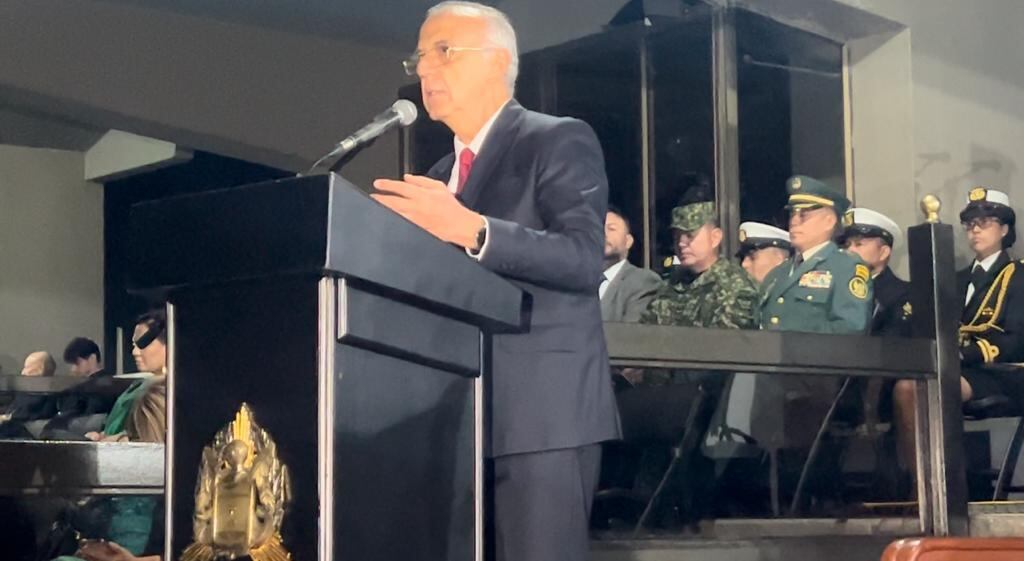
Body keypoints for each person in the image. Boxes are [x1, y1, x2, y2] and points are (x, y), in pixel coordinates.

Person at [371, 3, 619, 560]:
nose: (424, 71)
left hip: (539, 415)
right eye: (419, 57)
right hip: (452, 418)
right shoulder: (438, 178)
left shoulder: (555, 139)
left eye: (443, 51)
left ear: (499, 61)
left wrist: (474, 230)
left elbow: (583, 259)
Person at [893, 188, 1024, 470]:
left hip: (1002, 372)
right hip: (957, 368)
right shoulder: (956, 279)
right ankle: (919, 482)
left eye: (985, 223)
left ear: (1003, 229)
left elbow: (1015, 339)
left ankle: (946, 479)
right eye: (970, 225)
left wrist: (964, 355)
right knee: (907, 387)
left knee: (929, 389)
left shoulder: (1018, 276)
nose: (975, 231)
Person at [760, 176, 873, 334]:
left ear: (829, 221)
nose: (794, 221)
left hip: (817, 357)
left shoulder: (846, 268)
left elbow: (850, 329)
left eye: (804, 215)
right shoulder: (777, 274)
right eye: (792, 214)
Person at [641, 199, 759, 329]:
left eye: (689, 236)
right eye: (677, 237)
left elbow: (728, 343)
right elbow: (646, 332)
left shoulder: (737, 287)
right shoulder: (670, 285)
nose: (681, 243)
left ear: (715, 238)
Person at [841, 208, 912, 336]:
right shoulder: (837, 289)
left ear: (883, 252)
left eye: (858, 244)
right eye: (847, 245)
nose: (849, 250)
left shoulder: (902, 296)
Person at [600, 206, 661, 322]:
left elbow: (630, 335)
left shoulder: (643, 282)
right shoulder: (578, 282)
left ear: (628, 241)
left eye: (611, 229)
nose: (604, 234)